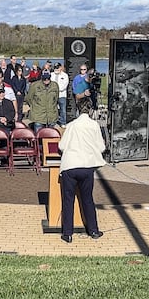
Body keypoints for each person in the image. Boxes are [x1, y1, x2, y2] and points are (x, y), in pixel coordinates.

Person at [58, 98, 107, 243]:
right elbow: (101, 147)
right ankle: (93, 230)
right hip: (86, 166)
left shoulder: (72, 125)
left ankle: (67, 233)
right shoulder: (94, 125)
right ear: (91, 110)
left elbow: (61, 146)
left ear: (78, 109)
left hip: (71, 165)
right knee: (88, 199)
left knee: (68, 200)